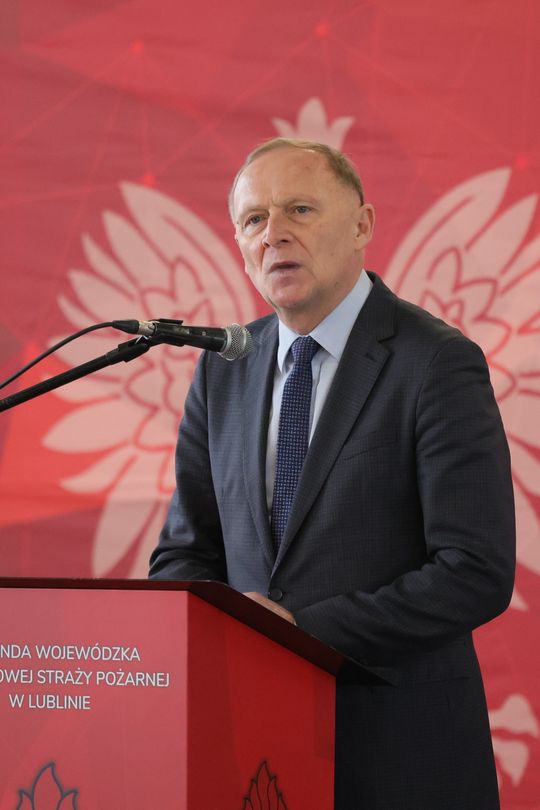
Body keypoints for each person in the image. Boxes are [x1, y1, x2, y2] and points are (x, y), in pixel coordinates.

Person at [149, 138, 515, 809]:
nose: (274, 233)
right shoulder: (224, 368)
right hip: (250, 754)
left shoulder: (436, 363)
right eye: (254, 219)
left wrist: (297, 630)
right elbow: (185, 553)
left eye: (300, 209)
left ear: (362, 225)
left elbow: (474, 570)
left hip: (400, 758)